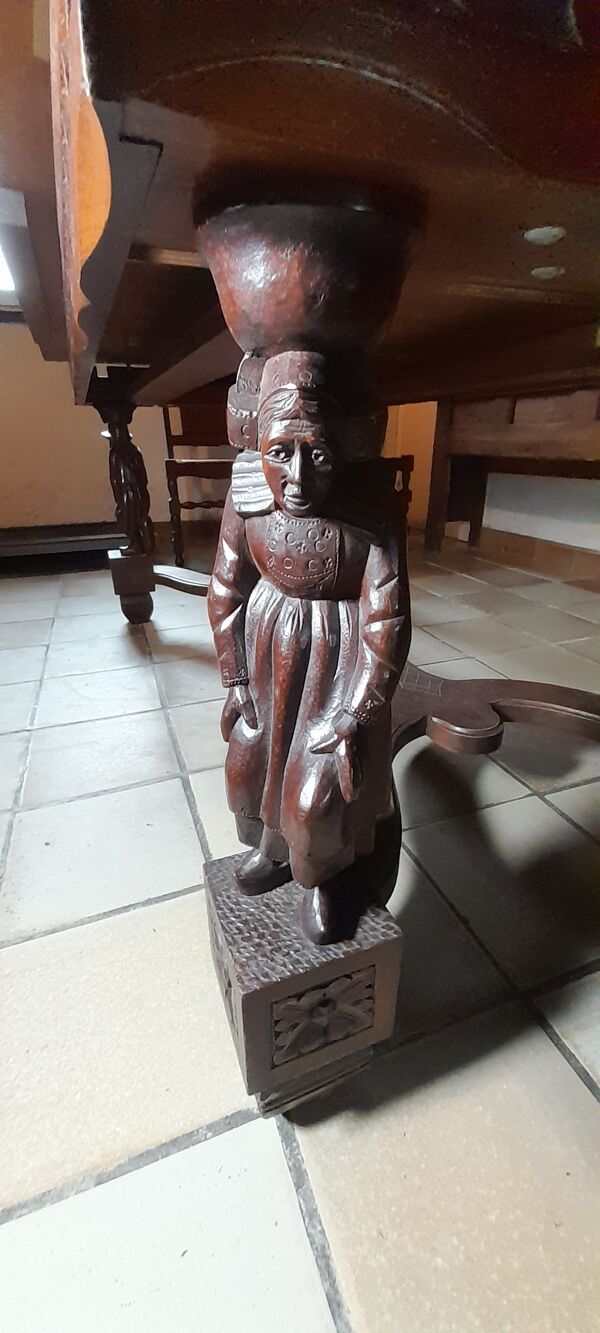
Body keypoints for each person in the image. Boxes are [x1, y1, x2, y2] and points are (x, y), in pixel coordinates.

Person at [208, 349, 410, 943]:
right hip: (268, 652)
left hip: (339, 665)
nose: (297, 479)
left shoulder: (370, 510)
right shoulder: (247, 498)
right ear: (258, 449)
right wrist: (236, 677)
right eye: (279, 453)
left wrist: (357, 714)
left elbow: (388, 616)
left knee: (317, 797)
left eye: (318, 455)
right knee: (249, 765)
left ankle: (324, 875)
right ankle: (274, 850)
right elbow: (226, 587)